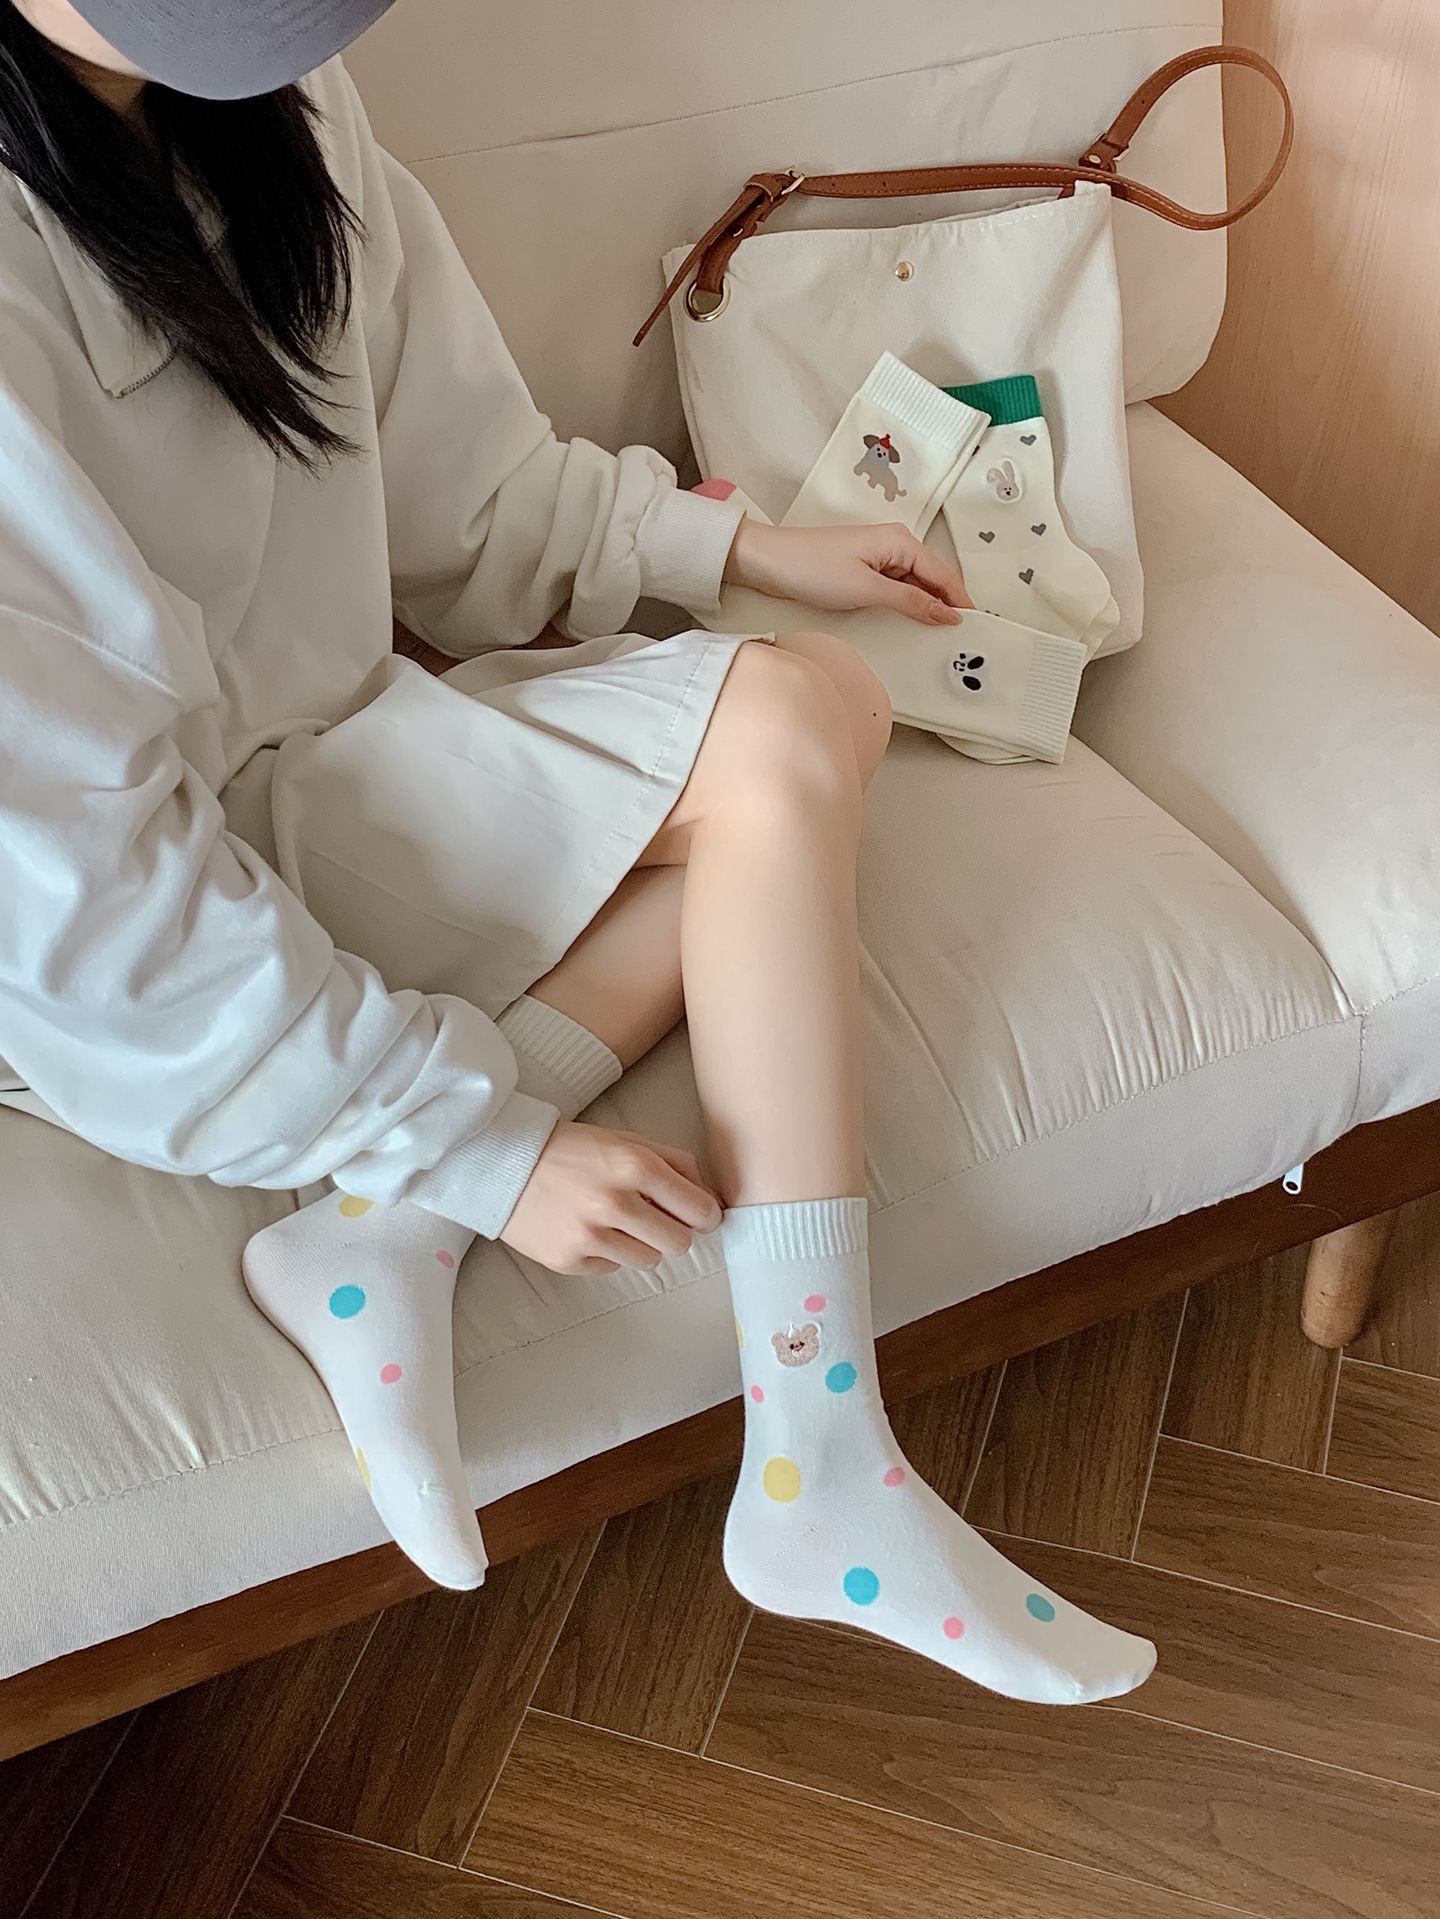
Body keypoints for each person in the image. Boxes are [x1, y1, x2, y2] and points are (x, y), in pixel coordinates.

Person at [0, 0, 1153, 1703]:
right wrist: (479, 1148)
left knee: (822, 710)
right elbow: (74, 899)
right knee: (782, 737)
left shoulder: (277, 95)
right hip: (114, 958)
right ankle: (818, 1456)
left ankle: (384, 1234)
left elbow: (463, 491)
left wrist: (739, 547)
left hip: (320, 782)